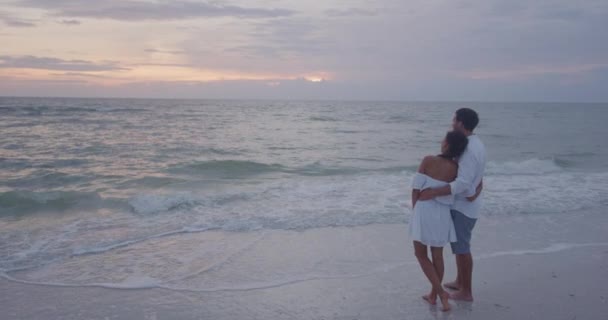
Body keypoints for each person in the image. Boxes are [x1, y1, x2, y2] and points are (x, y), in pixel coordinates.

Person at [418, 108, 486, 302]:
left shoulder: (470, 149)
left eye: (454, 120)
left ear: (461, 124)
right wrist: (476, 189)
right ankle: (459, 280)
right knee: (459, 246)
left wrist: (434, 192)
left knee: (462, 248)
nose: (452, 123)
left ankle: (467, 291)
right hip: (467, 203)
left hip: (464, 207)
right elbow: (475, 176)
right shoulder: (475, 143)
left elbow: (463, 182)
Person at [410, 130, 469, 312]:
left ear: (447, 144)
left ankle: (440, 293)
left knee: (420, 254)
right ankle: (434, 295)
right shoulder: (455, 168)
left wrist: (415, 213)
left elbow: (415, 189)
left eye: (444, 139)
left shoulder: (428, 160)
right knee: (437, 255)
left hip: (425, 210)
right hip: (442, 213)